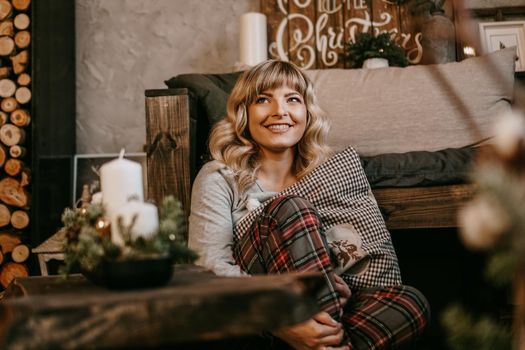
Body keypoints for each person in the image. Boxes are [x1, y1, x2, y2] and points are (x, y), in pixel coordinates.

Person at [188, 60, 430, 349]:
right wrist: (279, 321)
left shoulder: (326, 178)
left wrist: (337, 286)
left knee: (409, 301)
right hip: (258, 317)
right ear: (244, 113)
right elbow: (208, 266)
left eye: (293, 99)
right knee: (290, 208)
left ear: (307, 113)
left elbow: (333, 260)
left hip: (330, 316)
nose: (280, 111)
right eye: (263, 100)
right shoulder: (220, 176)